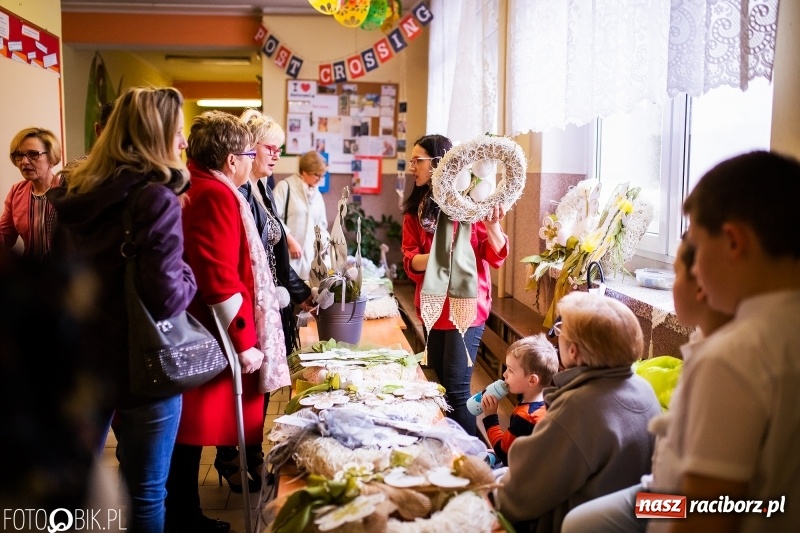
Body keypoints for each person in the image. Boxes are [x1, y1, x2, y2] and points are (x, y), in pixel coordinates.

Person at [48, 86, 195, 533]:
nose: (184, 142)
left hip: (82, 360)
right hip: (142, 364)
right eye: (179, 132)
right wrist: (189, 276)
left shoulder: (75, 192)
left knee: (76, 491)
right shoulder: (154, 198)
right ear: (158, 135)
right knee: (145, 493)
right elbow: (167, 297)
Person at [650, 151, 800, 532]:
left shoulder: (731, 357)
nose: (696, 268)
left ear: (733, 242)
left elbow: (708, 518)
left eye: (697, 247)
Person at [561, 235, 733, 533]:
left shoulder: (725, 361)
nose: (673, 283)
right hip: (659, 486)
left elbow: (709, 498)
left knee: (577, 521)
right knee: (580, 520)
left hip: (680, 502)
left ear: (702, 287)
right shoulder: (703, 339)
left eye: (676, 274)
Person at [166, 110, 287, 533]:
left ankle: (184, 512)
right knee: (188, 432)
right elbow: (218, 275)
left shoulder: (203, 186)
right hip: (211, 333)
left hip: (201, 329)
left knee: (185, 432)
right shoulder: (216, 194)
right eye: (249, 152)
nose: (254, 159)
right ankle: (182, 516)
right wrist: (244, 342)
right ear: (231, 158)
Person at [495, 292, 662, 533]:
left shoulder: (579, 407)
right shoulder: (644, 388)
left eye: (560, 332)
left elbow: (521, 495)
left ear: (573, 351)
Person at [213, 109, 314, 487]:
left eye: (279, 148)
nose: (275, 155)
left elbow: (277, 252)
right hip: (250, 305)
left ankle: (251, 456)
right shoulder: (239, 193)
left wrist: (300, 293)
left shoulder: (261, 189)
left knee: (260, 392)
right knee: (242, 391)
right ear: (248, 148)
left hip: (270, 303)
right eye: (270, 147)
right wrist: (298, 293)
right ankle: (231, 459)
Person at [401, 134, 508, 437]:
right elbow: (410, 261)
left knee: (458, 391)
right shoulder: (416, 211)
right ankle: (446, 451)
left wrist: (493, 226)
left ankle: (471, 462)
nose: (412, 167)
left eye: (417, 160)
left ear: (438, 164)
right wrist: (438, 256)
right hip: (433, 307)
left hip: (467, 308)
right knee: (437, 384)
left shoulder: (471, 206)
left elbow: (495, 255)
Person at [480, 334, 559, 466]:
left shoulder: (526, 418)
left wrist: (491, 418)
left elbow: (504, 455)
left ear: (532, 380)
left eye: (510, 370)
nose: (504, 374)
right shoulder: (546, 402)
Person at [2, 127, 62, 259]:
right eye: (19, 155)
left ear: (51, 158)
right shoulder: (16, 192)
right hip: (31, 274)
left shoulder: (66, 190)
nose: (24, 161)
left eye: (33, 154)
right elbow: (5, 236)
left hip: (63, 273)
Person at [272, 150, 329, 280]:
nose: (320, 179)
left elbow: (321, 225)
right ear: (304, 171)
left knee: (306, 294)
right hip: (287, 254)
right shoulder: (285, 187)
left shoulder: (317, 194)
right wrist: (290, 241)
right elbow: (272, 217)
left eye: (322, 175)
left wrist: (325, 246)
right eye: (317, 175)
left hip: (309, 259)